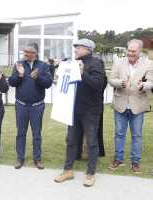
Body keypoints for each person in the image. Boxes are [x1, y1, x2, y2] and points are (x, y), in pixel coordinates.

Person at [54, 38, 105, 187]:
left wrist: (83, 72)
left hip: (90, 111)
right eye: (75, 47)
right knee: (71, 140)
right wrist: (60, 69)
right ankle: (68, 170)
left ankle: (90, 173)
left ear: (87, 49)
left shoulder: (96, 63)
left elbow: (98, 84)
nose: (75, 50)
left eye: (78, 47)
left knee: (91, 142)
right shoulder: (72, 63)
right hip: (74, 109)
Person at [108, 39, 153, 174]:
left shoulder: (149, 63)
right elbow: (111, 79)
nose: (130, 53)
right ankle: (118, 159)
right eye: (129, 50)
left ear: (140, 51)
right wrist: (120, 83)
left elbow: (151, 82)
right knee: (119, 134)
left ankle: (135, 162)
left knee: (137, 136)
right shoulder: (119, 62)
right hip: (120, 103)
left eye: (133, 51)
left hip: (138, 105)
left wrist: (143, 85)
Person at [8, 43, 52, 170]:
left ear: (35, 53)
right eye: (25, 51)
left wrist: (37, 77)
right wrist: (20, 75)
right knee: (21, 133)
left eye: (29, 52)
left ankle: (37, 159)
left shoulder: (43, 66)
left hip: (37, 106)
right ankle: (20, 158)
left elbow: (48, 83)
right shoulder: (19, 64)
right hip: (21, 105)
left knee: (37, 134)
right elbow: (12, 82)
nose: (25, 54)